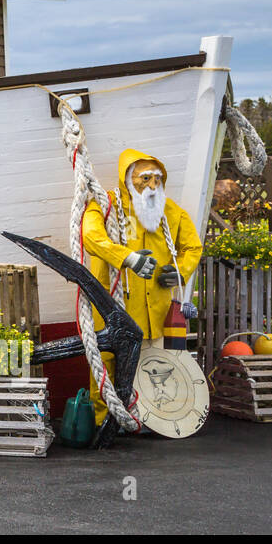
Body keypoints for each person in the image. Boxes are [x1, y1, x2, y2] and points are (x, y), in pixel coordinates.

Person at [81, 148, 203, 426]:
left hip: (156, 312)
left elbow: (192, 247)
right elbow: (90, 237)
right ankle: (105, 421)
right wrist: (126, 258)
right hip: (114, 304)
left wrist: (180, 272)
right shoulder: (106, 204)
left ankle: (152, 419)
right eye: (144, 178)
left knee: (154, 365)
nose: (151, 186)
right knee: (107, 361)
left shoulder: (170, 211)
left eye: (157, 179)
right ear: (127, 178)